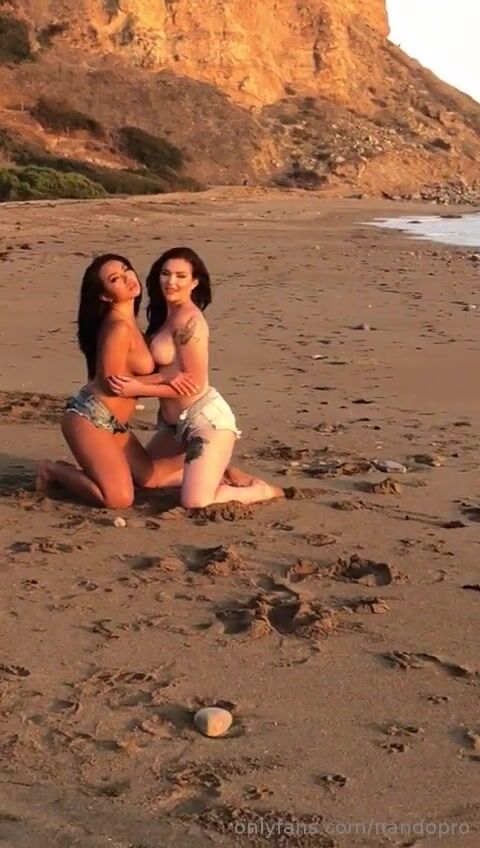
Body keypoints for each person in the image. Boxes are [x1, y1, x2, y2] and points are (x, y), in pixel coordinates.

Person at [107, 247, 284, 508]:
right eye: (166, 274)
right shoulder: (163, 317)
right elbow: (163, 371)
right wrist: (160, 377)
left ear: (194, 282)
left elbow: (194, 383)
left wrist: (138, 388)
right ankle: (215, 472)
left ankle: (261, 490)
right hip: (172, 426)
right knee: (146, 478)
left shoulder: (191, 321)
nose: (171, 281)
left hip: (204, 421)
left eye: (181, 276)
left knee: (196, 501)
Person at [36, 253, 199, 508]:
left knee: (149, 478)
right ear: (105, 296)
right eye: (115, 279)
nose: (127, 278)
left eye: (126, 270)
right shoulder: (118, 328)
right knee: (119, 498)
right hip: (90, 418)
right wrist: (162, 377)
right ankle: (52, 470)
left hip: (115, 425)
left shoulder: (133, 325)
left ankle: (211, 469)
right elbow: (113, 382)